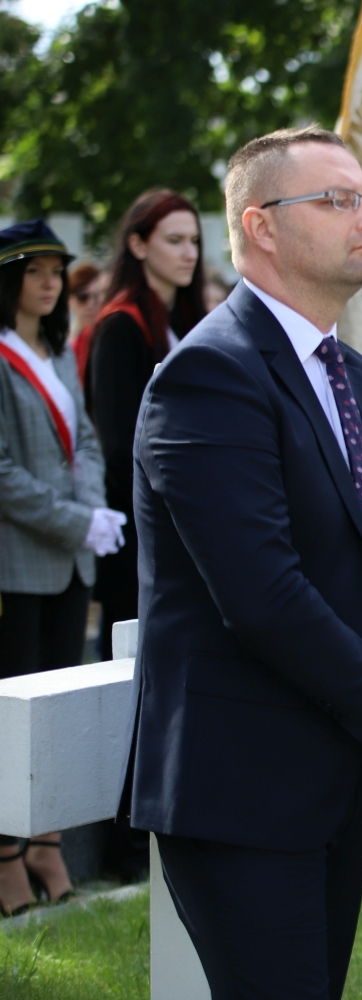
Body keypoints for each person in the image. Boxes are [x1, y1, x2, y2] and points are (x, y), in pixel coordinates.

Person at [129, 125, 362, 999]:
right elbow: (260, 590)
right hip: (244, 781)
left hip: (339, 766)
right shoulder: (208, 375)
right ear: (261, 225)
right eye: (336, 199)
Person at [0, 221, 123, 917]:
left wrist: (93, 508)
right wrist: (75, 517)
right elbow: (3, 473)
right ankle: (6, 854)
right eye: (35, 270)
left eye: (56, 271)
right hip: (18, 560)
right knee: (13, 707)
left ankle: (47, 841)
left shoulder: (55, 350)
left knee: (51, 709)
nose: (50, 283)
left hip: (69, 555)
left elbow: (85, 440)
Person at [88, 188, 206, 659]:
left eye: (195, 241)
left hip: (188, 523)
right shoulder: (119, 326)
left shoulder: (190, 320)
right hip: (144, 530)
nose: (189, 253)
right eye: (174, 240)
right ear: (138, 245)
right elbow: (119, 448)